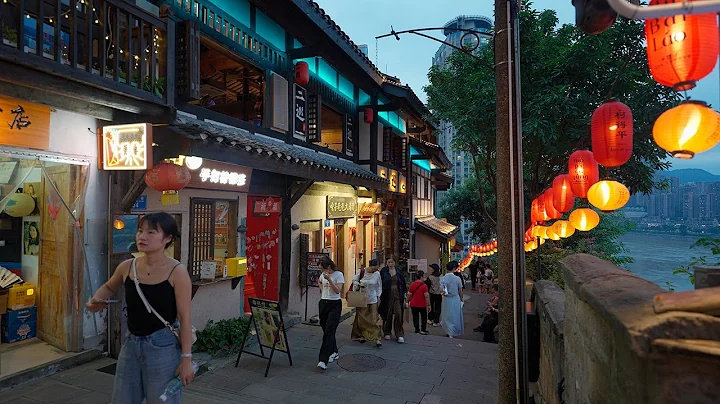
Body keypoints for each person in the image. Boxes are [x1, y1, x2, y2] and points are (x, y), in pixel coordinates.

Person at [86, 213, 193, 404]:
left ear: (167, 239)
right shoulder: (127, 266)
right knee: (122, 399)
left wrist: (186, 359)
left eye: (151, 232)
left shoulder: (177, 272)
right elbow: (109, 287)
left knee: (161, 401)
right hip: (131, 344)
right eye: (140, 231)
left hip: (163, 346)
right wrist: (96, 299)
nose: (142, 237)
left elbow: (185, 318)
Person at [317, 256, 344, 370]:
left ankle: (323, 360)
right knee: (325, 328)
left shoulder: (338, 275)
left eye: (323, 269)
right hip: (324, 303)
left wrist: (329, 280)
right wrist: (323, 290)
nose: (322, 272)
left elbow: (338, 290)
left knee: (329, 330)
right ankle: (334, 351)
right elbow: (319, 281)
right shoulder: (322, 275)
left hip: (335, 304)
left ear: (328, 267)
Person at [350, 259, 383, 347]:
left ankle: (377, 338)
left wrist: (378, 295)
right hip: (362, 297)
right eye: (374, 269)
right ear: (370, 266)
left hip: (373, 297)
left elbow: (379, 286)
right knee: (362, 317)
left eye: (376, 269)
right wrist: (360, 284)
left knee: (374, 318)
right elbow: (354, 281)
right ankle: (361, 335)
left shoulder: (377, 274)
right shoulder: (361, 272)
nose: (375, 270)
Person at [379, 257, 407, 343]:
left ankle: (399, 334)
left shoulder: (398, 271)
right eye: (388, 262)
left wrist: (405, 294)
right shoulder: (383, 271)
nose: (390, 264)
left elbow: (403, 282)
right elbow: (380, 283)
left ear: (394, 262)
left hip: (398, 294)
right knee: (388, 313)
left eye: (392, 262)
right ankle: (387, 332)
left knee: (398, 313)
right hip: (387, 294)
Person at [440, 261, 464, 338]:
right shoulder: (457, 278)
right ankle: (453, 331)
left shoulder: (443, 278)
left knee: (446, 315)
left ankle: (448, 330)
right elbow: (460, 290)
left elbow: (441, 290)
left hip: (446, 299)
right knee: (455, 315)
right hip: (455, 298)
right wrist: (461, 299)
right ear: (454, 268)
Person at [406, 270, 431, 335]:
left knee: (415, 316)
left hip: (413, 304)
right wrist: (428, 305)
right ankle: (423, 329)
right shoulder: (424, 285)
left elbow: (409, 294)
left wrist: (407, 302)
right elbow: (427, 296)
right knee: (424, 317)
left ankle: (417, 329)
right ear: (421, 276)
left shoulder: (412, 284)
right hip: (422, 304)